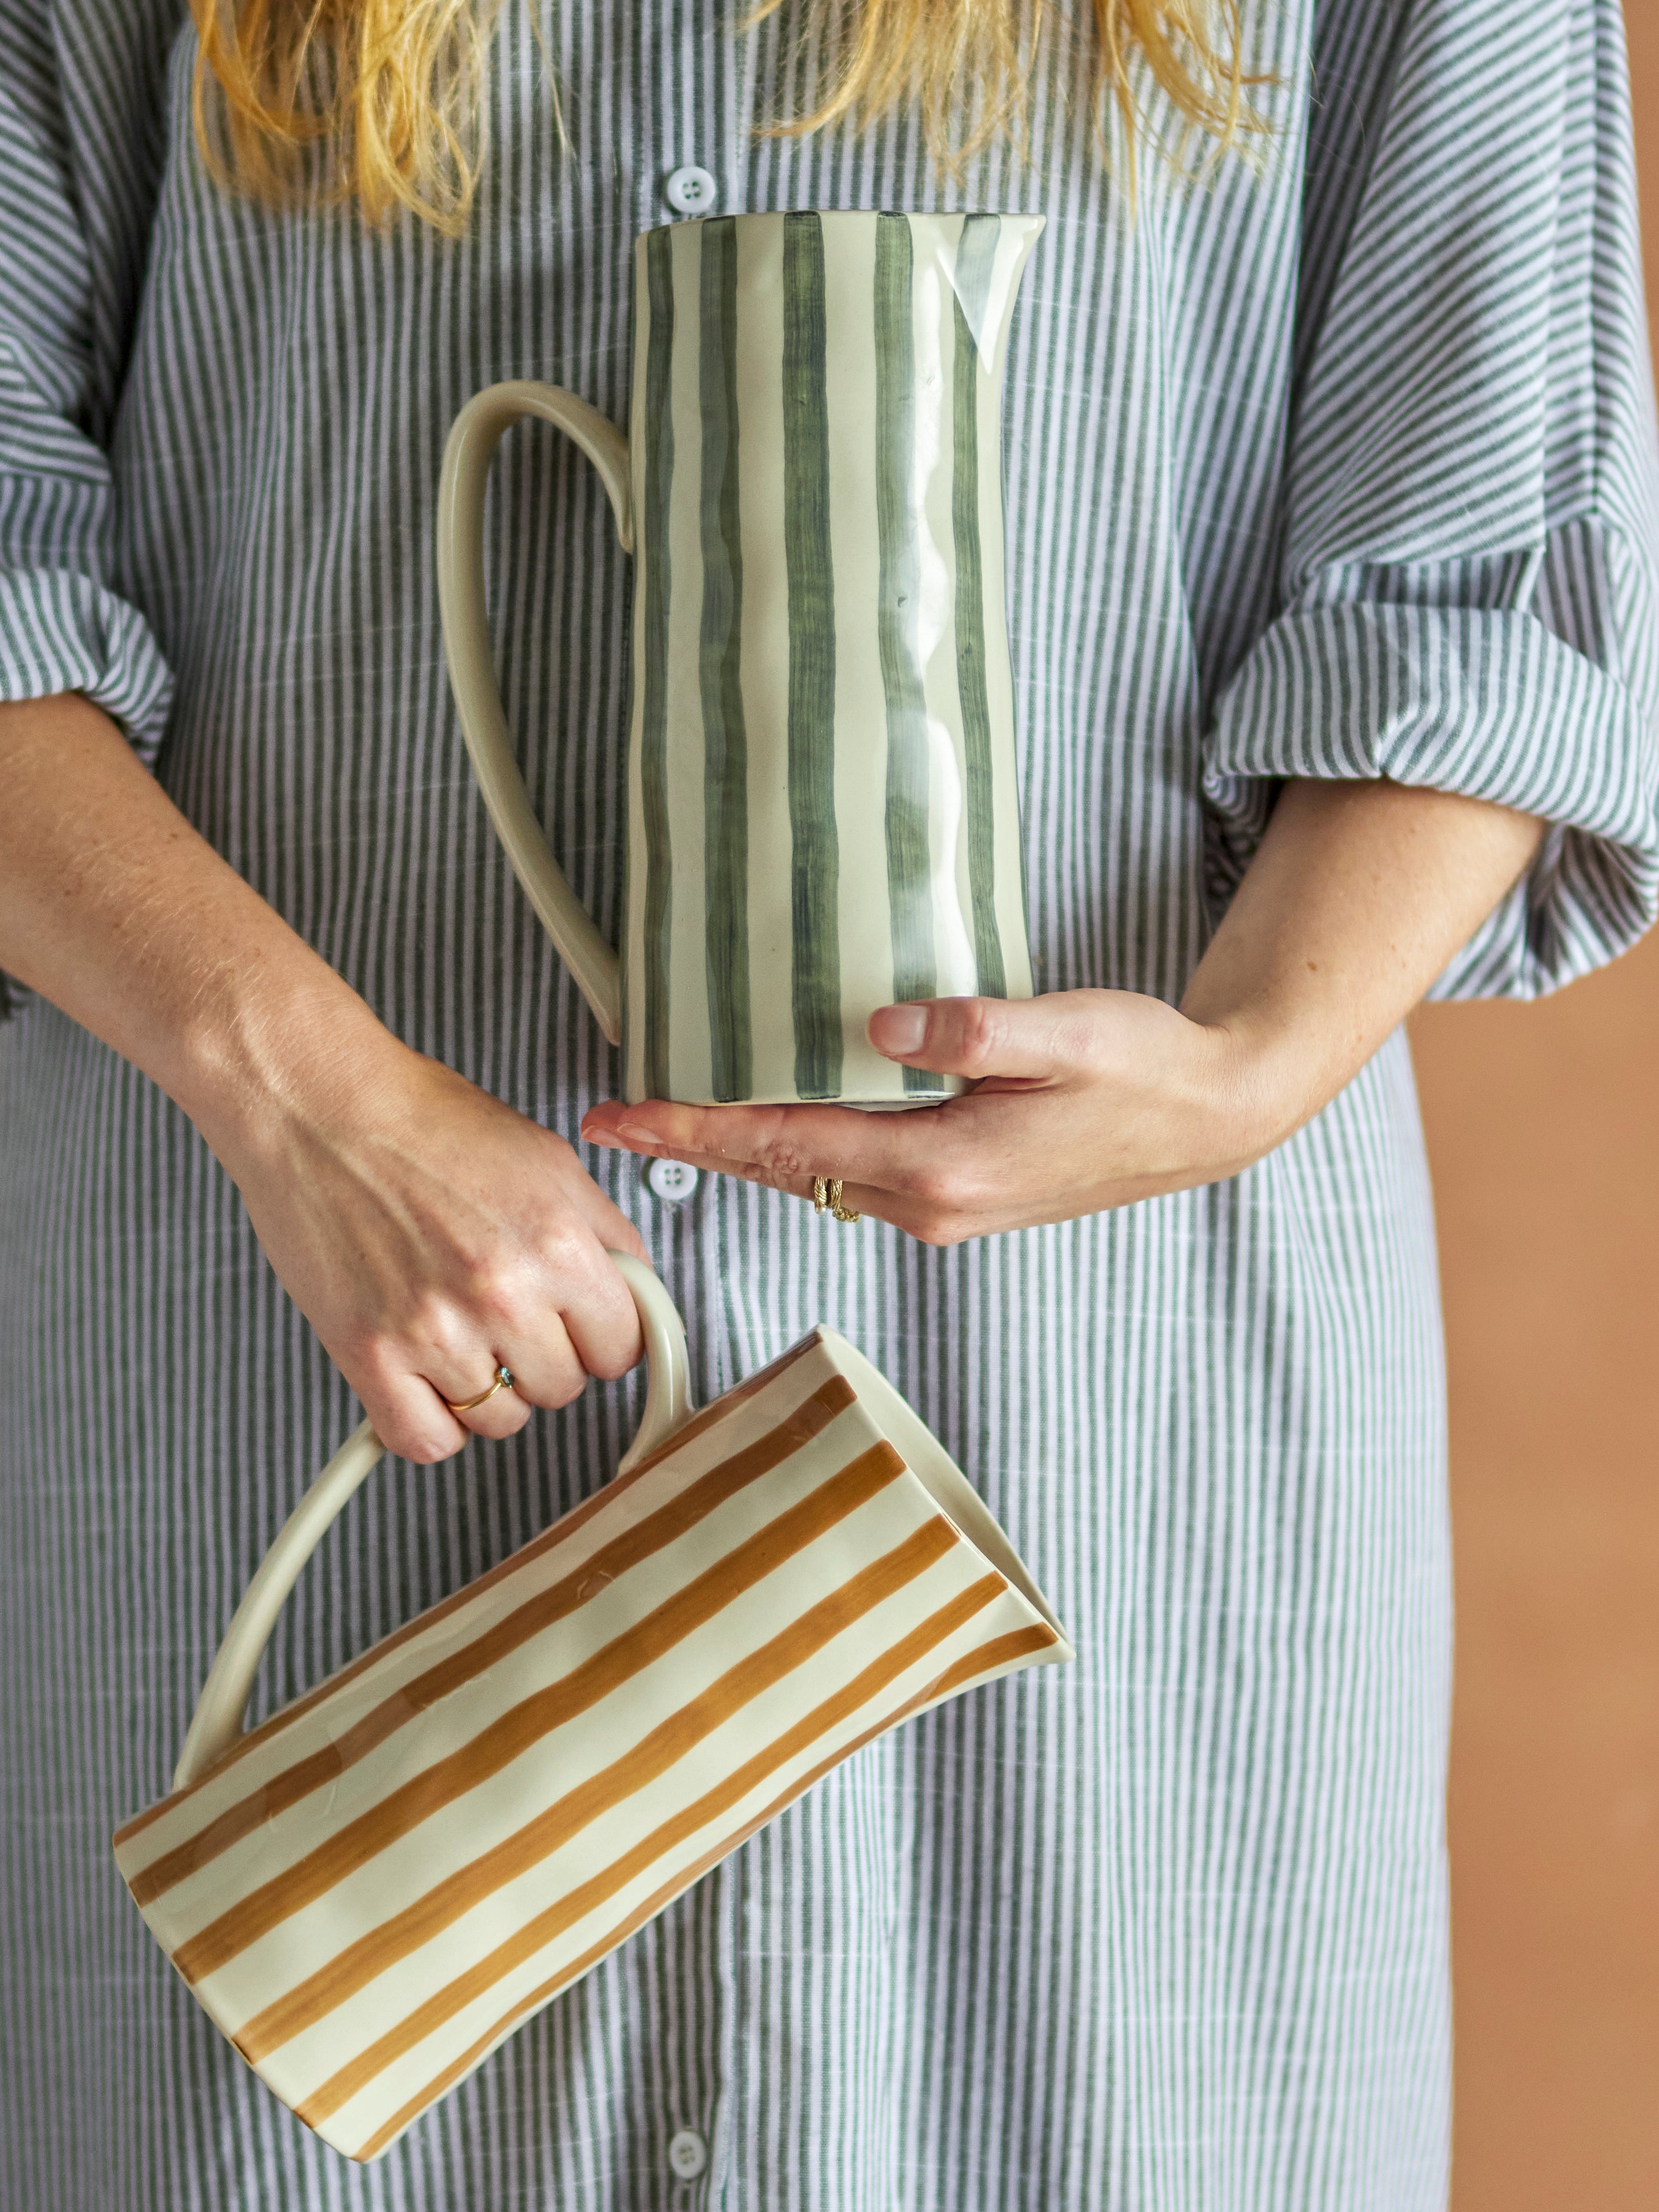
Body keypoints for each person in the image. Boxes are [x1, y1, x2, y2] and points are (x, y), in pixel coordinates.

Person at [2, 1, 1655, 2206]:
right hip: (288, 1367)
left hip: (1097, 1419)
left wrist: (1248, 1065)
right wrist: (296, 1087)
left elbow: (1487, 556)